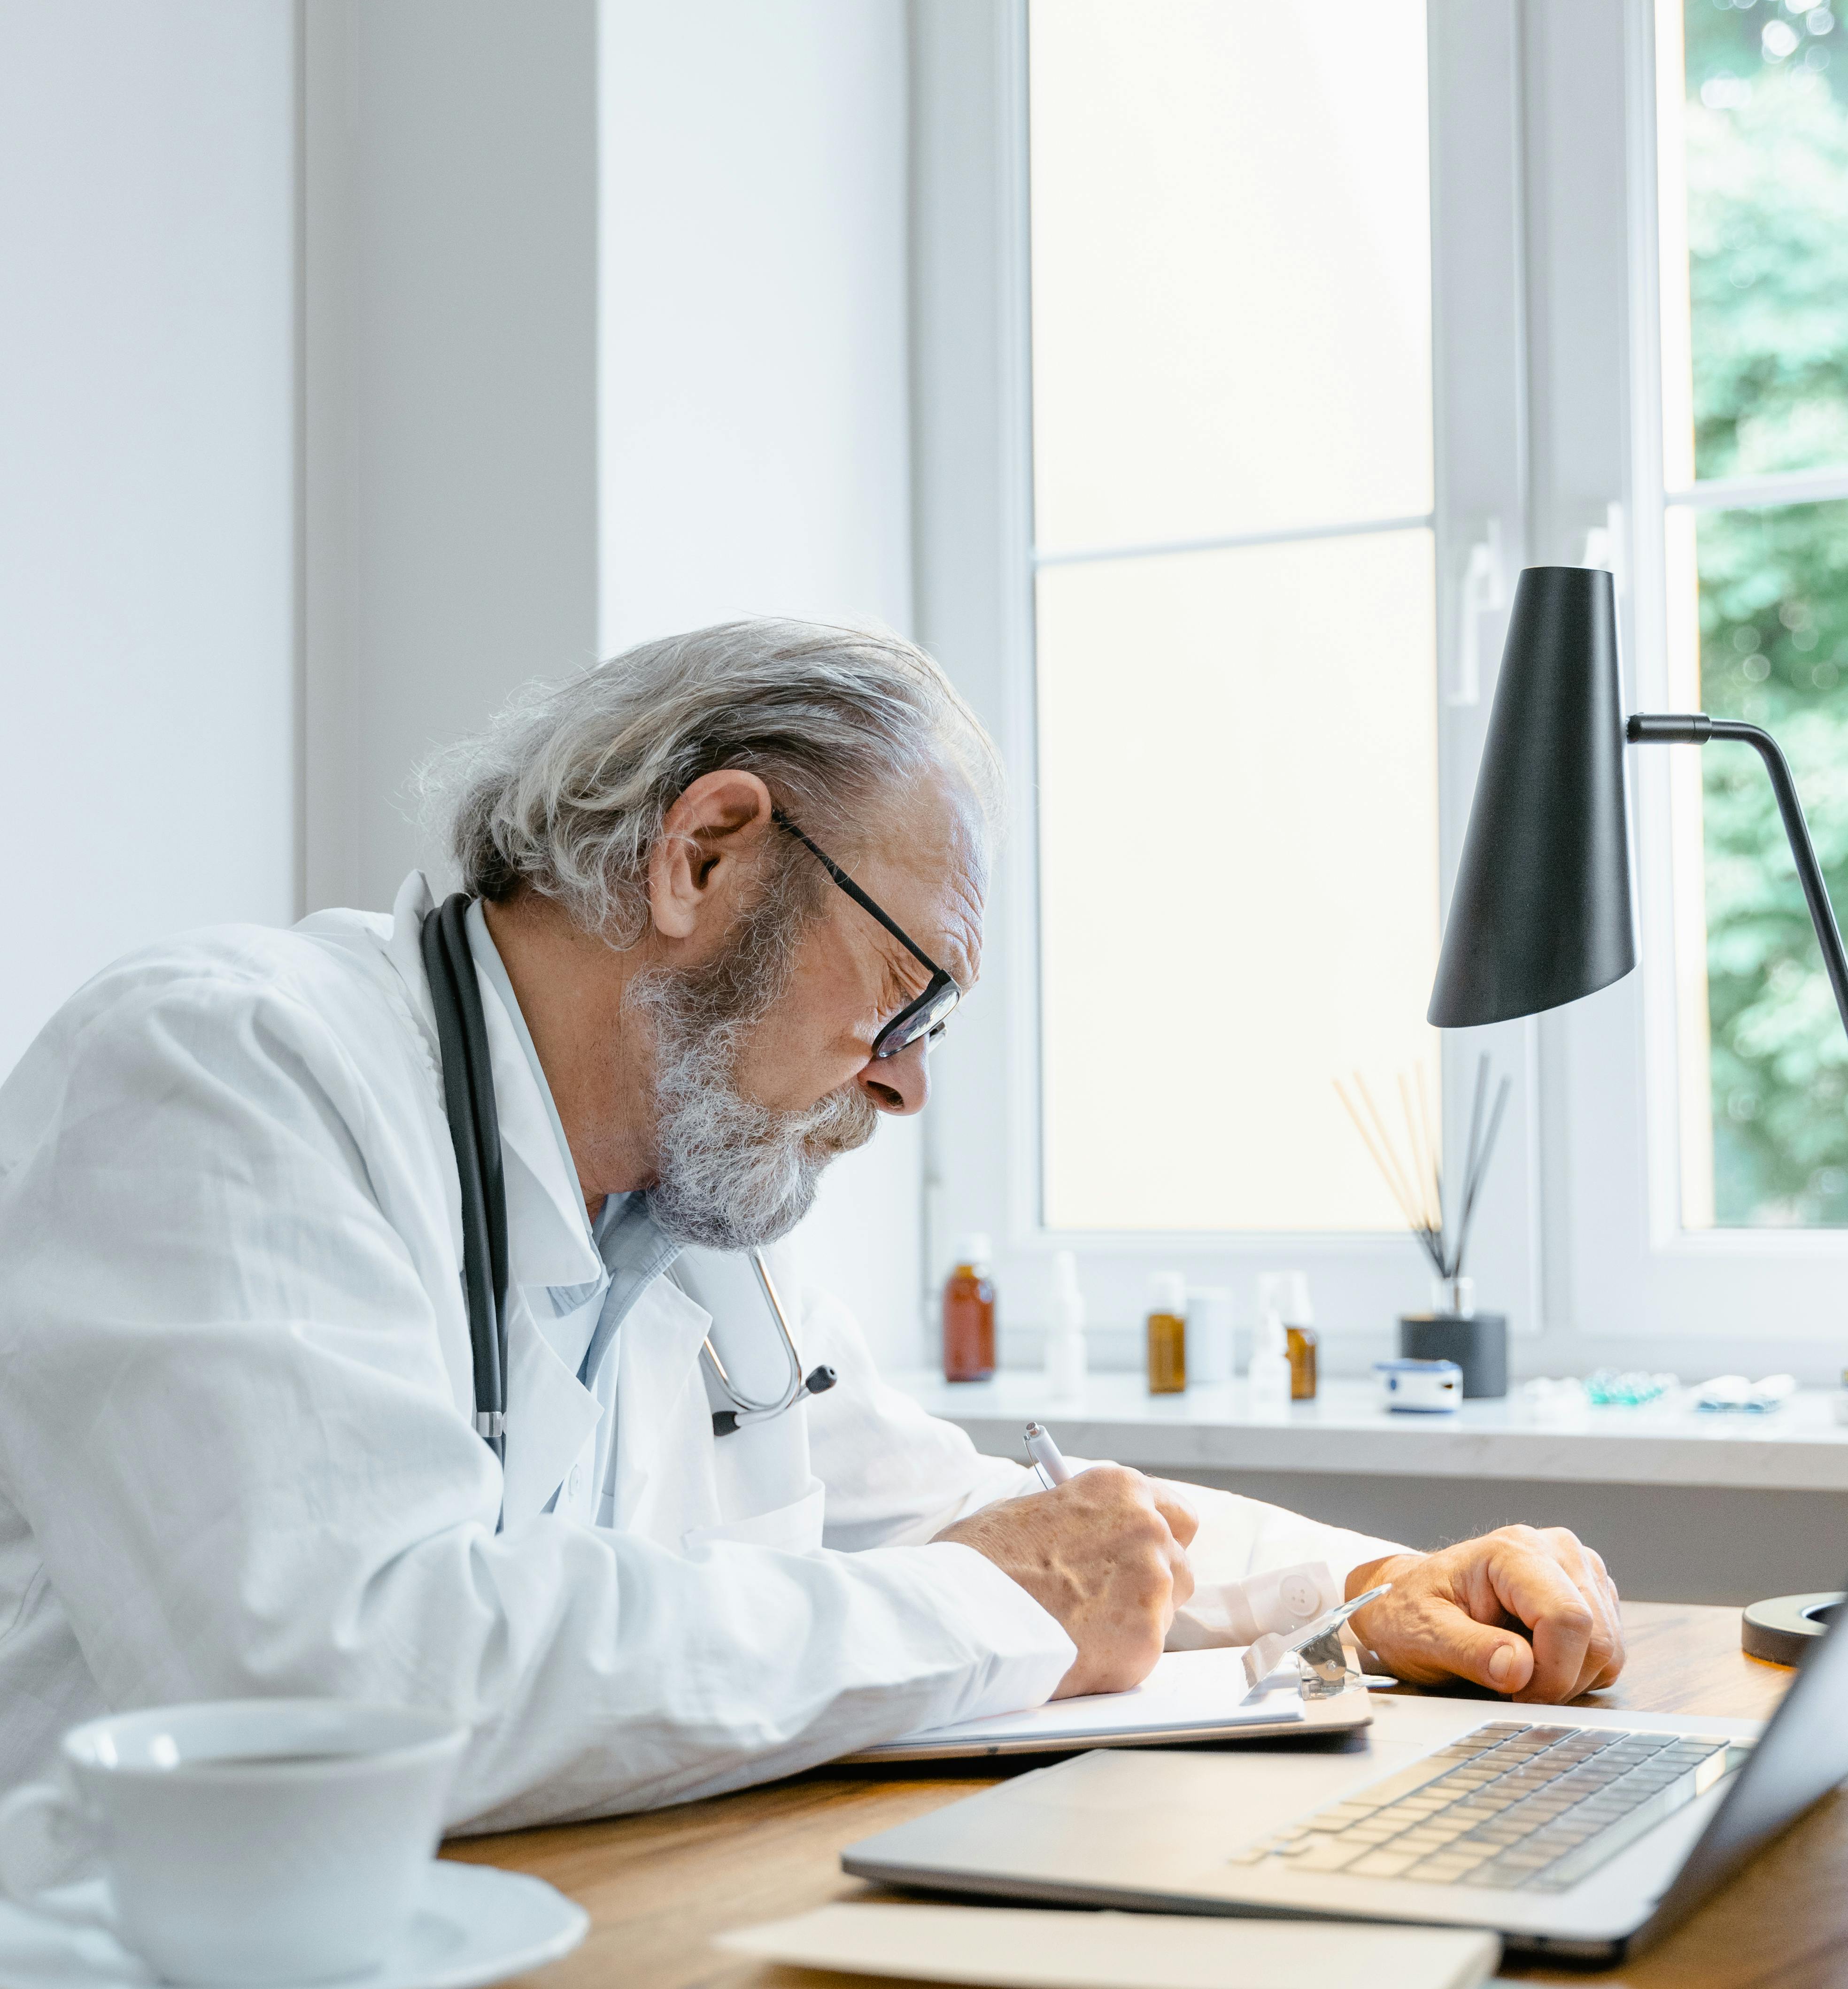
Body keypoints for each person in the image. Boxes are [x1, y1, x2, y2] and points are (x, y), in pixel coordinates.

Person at [0, 624, 1622, 1826]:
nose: (907, 1091)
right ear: (706, 854)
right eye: (909, 1001)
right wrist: (1006, 1608)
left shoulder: (695, 1215)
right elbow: (341, 1682)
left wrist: (1366, 1589)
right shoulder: (232, 1066)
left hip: (523, 1964)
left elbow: (944, 1515)